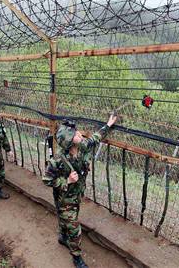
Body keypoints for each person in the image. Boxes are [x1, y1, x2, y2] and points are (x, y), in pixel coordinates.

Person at [43, 114, 118, 268]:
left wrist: (109, 124)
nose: (79, 134)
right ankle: (76, 257)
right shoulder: (57, 160)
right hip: (64, 199)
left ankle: (63, 237)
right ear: (70, 142)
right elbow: (46, 179)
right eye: (75, 134)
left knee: (67, 221)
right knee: (75, 229)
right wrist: (67, 181)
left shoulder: (83, 147)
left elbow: (95, 138)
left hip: (76, 196)